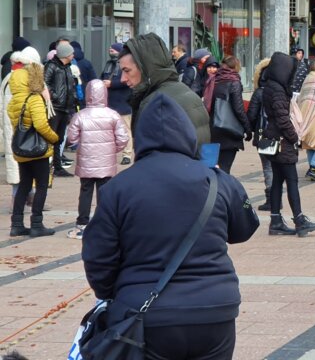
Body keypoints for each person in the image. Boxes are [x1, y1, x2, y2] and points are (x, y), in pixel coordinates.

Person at [82, 93, 260, 359]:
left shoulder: (118, 188)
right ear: (188, 135)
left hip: (146, 314)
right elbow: (244, 228)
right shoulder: (216, 179)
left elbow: (98, 256)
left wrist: (115, 293)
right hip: (214, 309)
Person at [261, 52, 315, 236]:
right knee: (292, 181)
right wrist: (294, 137)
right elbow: (282, 118)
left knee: (278, 181)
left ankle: (276, 220)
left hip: (273, 139)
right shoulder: (278, 90)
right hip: (282, 141)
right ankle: (299, 220)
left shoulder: (270, 86)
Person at [65, 79, 129, 240]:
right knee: (105, 192)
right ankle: (104, 223)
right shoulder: (112, 115)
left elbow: (71, 138)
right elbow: (123, 138)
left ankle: (82, 223)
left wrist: (81, 144)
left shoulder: (81, 115)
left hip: (86, 161)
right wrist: (112, 150)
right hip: (106, 162)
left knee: (85, 191)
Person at [7, 56, 60, 237]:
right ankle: (37, 224)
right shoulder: (34, 98)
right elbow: (40, 125)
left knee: (24, 185)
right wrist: (54, 138)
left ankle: (16, 223)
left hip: (21, 149)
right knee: (42, 185)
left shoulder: (13, 101)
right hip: (38, 150)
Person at [204, 55, 250, 174]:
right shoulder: (234, 82)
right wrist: (247, 128)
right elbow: (239, 109)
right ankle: (221, 192)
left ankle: (212, 190)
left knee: (213, 167)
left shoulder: (214, 79)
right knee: (224, 170)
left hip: (212, 129)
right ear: (236, 67)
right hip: (228, 131)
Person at [44, 41, 78, 177]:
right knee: (51, 138)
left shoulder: (67, 67)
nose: (73, 55)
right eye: (71, 53)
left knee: (58, 139)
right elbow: (45, 84)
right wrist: (56, 96)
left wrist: (73, 100)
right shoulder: (51, 66)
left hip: (65, 108)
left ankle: (57, 167)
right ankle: (48, 168)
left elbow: (71, 86)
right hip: (55, 108)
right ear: (66, 54)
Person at [246, 57, 274, 211]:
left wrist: (248, 131)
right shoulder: (282, 91)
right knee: (277, 167)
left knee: (268, 167)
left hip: (264, 134)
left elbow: (251, 115)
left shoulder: (259, 93)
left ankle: (271, 199)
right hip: (280, 134)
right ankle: (277, 198)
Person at [100, 43, 133, 165]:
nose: (111, 51)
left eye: (113, 50)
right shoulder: (109, 64)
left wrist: (111, 84)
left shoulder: (126, 64)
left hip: (123, 102)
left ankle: (127, 155)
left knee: (125, 130)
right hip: (109, 102)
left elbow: (127, 80)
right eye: (110, 49)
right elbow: (103, 76)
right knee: (109, 131)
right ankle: (109, 154)